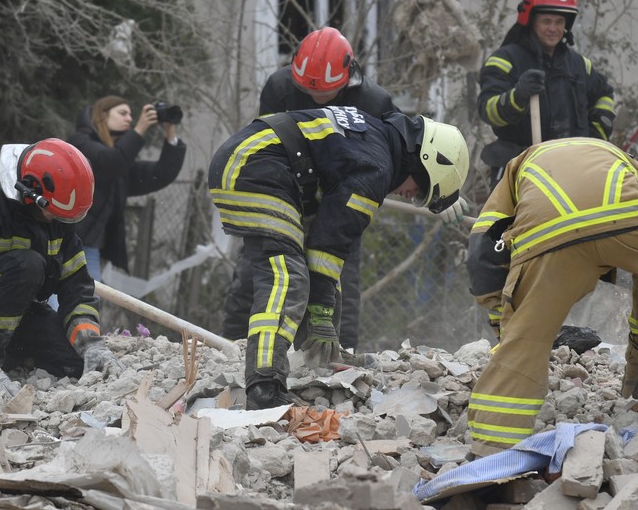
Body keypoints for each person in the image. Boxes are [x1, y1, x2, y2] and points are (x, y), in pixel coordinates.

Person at [465, 137, 638, 458]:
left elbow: (483, 256)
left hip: (549, 233)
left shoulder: (515, 168)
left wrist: (505, 327)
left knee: (526, 337)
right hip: (623, 212)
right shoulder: (627, 166)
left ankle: (491, 451)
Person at [222, 27, 471, 350]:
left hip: (342, 198)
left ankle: (337, 351)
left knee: (339, 274)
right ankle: (230, 346)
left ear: (348, 78)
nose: (316, 99)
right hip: (288, 194)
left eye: (325, 94)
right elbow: (269, 141)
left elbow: (407, 154)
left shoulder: (374, 100)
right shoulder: (279, 88)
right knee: (255, 270)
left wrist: (441, 191)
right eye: (309, 93)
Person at [209, 106, 469, 409]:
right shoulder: (376, 168)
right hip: (255, 166)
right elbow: (329, 242)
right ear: (425, 159)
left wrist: (324, 319)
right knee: (287, 275)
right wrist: (320, 314)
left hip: (253, 161)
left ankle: (320, 354)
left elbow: (327, 255)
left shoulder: (376, 140)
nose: (412, 196)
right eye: (421, 189)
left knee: (318, 271)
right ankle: (264, 384)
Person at [0, 139, 125, 399]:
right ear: (31, 192)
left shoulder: (56, 215)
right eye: (55, 214)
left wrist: (92, 345)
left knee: (75, 363)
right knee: (27, 265)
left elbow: (78, 289)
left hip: (19, 312)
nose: (59, 222)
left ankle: (12, 356)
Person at [477, 0, 616, 186]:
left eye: (559, 22)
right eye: (546, 21)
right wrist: (518, 96)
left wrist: (594, 138)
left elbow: (604, 94)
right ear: (530, 21)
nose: (553, 28)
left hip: (574, 171)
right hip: (521, 171)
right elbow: (488, 111)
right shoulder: (505, 61)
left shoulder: (579, 65)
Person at [68, 96, 186, 280]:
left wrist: (170, 134)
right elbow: (109, 163)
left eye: (131, 115)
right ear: (102, 115)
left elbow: (159, 174)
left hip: (90, 247)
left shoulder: (120, 162)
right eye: (123, 113)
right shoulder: (81, 143)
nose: (130, 119)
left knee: (86, 302)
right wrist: (140, 129)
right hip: (63, 242)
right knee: (62, 303)